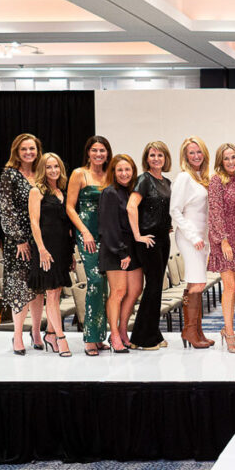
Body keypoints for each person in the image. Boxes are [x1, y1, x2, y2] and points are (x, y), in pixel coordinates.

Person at [0, 133, 45, 354]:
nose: (29, 152)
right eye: (24, 149)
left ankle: (36, 332)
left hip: (40, 240)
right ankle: (17, 336)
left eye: (32, 149)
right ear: (17, 151)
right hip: (18, 242)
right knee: (21, 289)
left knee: (38, 289)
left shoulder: (42, 173)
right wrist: (19, 239)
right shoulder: (9, 174)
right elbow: (6, 210)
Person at [66, 135, 111, 355]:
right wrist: (84, 231)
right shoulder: (79, 174)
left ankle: (100, 336)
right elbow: (69, 207)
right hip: (88, 235)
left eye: (102, 150)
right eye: (94, 150)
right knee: (94, 282)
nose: (98, 154)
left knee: (103, 284)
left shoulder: (110, 175)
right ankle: (89, 338)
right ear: (88, 152)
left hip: (107, 235)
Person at [127, 141, 173, 350]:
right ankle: (144, 338)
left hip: (163, 239)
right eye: (152, 155)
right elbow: (131, 207)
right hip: (149, 240)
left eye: (160, 155)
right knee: (153, 288)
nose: (156, 159)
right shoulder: (144, 179)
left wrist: (168, 224)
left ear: (165, 158)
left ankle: (149, 333)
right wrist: (138, 235)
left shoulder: (166, 181)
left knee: (156, 288)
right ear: (146, 158)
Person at [27, 152, 73, 358]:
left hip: (63, 248)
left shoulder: (62, 191)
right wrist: (42, 249)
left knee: (58, 292)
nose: (53, 170)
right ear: (42, 170)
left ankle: (51, 334)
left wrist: (71, 253)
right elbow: (34, 222)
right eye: (48, 167)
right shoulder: (37, 191)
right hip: (46, 249)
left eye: (56, 166)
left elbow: (67, 225)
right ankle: (61, 339)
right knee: (52, 294)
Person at [170, 136, 212, 349]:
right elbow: (175, 210)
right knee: (197, 283)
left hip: (201, 238)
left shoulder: (200, 177)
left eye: (198, 152)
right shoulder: (184, 177)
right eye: (191, 153)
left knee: (196, 283)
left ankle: (196, 330)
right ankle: (189, 330)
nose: (196, 156)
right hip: (189, 237)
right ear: (185, 157)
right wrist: (194, 237)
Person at [99, 154, 142, 354]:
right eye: (120, 170)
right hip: (115, 249)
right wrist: (121, 252)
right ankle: (114, 333)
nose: (124, 173)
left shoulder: (131, 193)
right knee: (118, 292)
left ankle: (123, 329)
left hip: (132, 249)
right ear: (113, 173)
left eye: (128, 170)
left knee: (135, 290)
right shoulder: (110, 193)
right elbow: (108, 227)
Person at [208, 143, 235, 354]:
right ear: (220, 162)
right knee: (230, 287)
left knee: (232, 287)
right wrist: (223, 240)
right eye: (227, 158)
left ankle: (227, 327)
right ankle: (230, 334)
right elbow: (215, 211)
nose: (231, 161)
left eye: (234, 157)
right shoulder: (216, 181)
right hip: (223, 239)